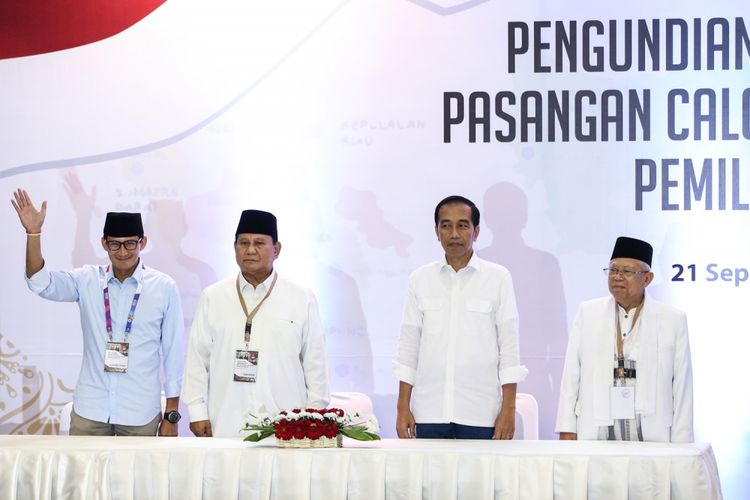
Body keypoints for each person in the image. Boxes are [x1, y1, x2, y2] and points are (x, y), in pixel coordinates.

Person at [11, 189, 185, 436]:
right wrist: (33, 233)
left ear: (142, 242)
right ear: (104, 243)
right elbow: (40, 282)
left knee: (134, 476)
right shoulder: (86, 280)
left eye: (130, 244)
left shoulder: (163, 287)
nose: (122, 252)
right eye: (114, 244)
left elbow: (173, 353)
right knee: (82, 476)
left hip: (140, 412)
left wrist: (172, 414)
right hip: (91, 409)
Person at [182, 209, 329, 437]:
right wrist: (196, 411)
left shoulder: (301, 298)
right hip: (226, 422)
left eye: (259, 243)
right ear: (235, 248)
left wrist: (314, 416)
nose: (250, 250)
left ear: (276, 250)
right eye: (243, 243)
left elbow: (315, 363)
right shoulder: (213, 296)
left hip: (286, 425)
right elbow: (196, 359)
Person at [394, 195, 528, 440]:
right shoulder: (420, 279)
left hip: (481, 413)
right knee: (429, 480)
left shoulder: (498, 278)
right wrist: (403, 406)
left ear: (476, 231)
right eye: (446, 225)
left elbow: (509, 348)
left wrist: (508, 410)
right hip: (429, 412)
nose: (454, 233)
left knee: (480, 480)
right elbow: (409, 346)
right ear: (436, 232)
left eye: (462, 225)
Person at [555, 236, 694, 442]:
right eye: (612, 270)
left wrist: (682, 444)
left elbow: (682, 387)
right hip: (597, 431)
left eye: (627, 271)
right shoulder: (588, 312)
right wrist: (567, 428)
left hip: (652, 434)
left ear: (647, 278)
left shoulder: (672, 319)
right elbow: (571, 375)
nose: (617, 277)